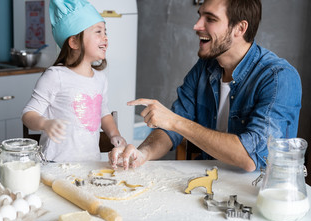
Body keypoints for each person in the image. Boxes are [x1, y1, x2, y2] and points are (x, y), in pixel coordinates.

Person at [109, 0, 302, 172]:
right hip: (210, 180)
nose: (196, 25)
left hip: (257, 193)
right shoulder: (205, 67)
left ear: (240, 28)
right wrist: (143, 153)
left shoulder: (279, 78)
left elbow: (250, 158)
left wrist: (176, 121)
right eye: (200, 16)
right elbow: (171, 129)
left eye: (210, 19)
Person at [22, 0, 126, 162]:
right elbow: (28, 115)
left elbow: (103, 112)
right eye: (98, 32)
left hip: (90, 164)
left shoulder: (100, 79)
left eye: (106, 32)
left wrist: (114, 134)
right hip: (55, 164)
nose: (105, 37)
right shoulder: (55, 76)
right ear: (74, 42)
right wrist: (45, 123)